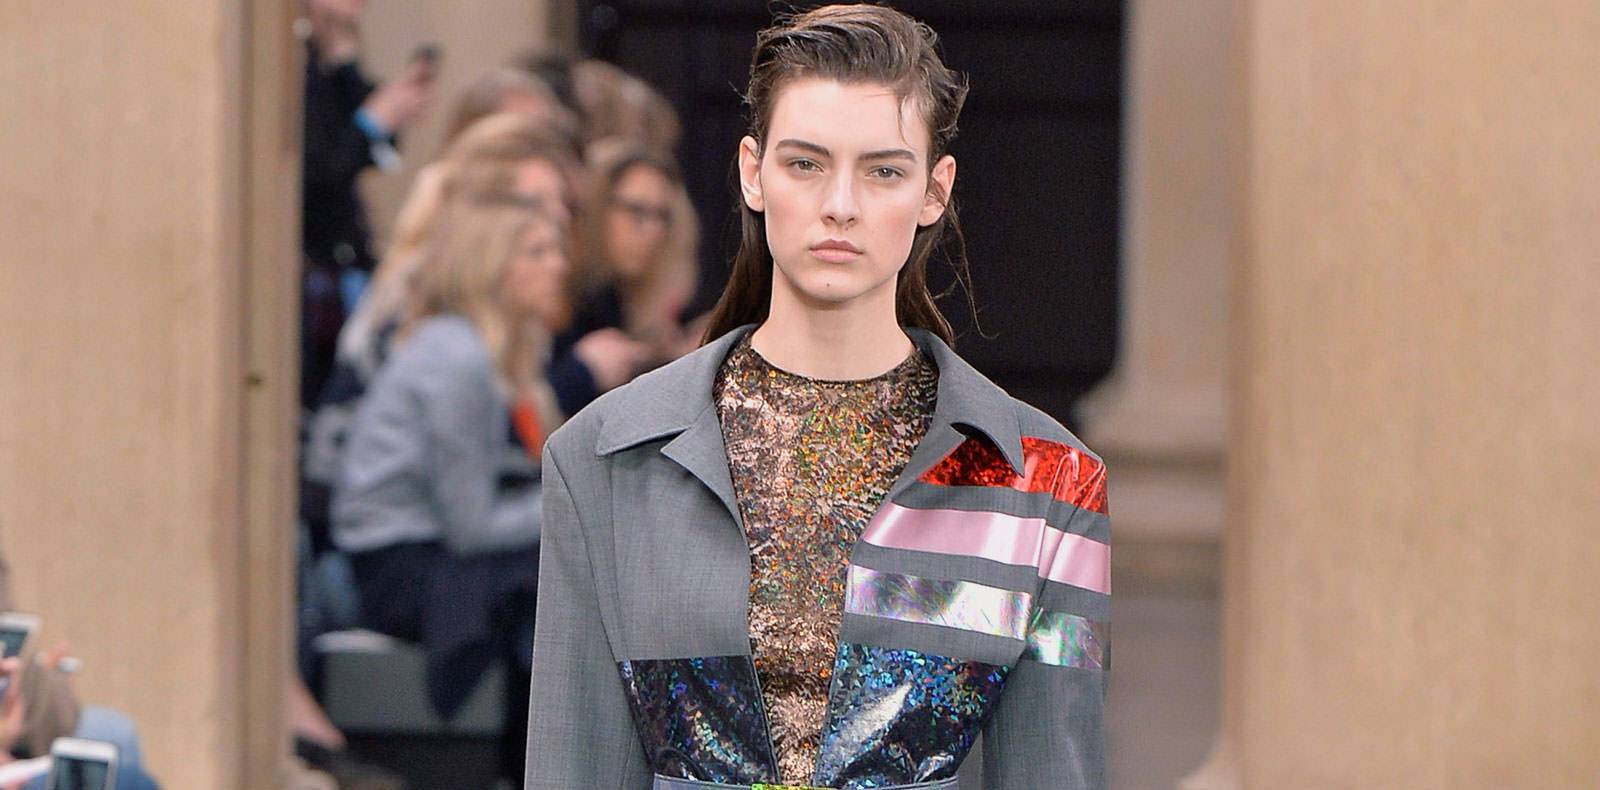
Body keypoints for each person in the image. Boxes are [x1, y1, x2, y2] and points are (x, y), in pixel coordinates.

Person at [524, 6, 1110, 790]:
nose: (841, 204)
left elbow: (1054, 769)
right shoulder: (603, 459)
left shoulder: (1049, 488)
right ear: (752, 172)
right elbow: (574, 760)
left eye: (884, 171)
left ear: (934, 191)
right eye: (805, 163)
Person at [333, 195, 566, 787]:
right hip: (397, 564)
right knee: (549, 586)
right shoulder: (458, 357)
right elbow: (472, 525)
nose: (559, 265)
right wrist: (577, 502)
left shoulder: (494, 353)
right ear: (491, 266)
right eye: (537, 252)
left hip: (432, 548)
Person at [299, 0, 435, 409]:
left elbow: (374, 147)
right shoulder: (292, 60)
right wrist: (372, 121)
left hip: (344, 257)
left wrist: (351, 71)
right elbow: (317, 168)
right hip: (311, 266)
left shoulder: (330, 55)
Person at [549, 137, 701, 414]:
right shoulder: (553, 290)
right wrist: (580, 373)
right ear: (596, 208)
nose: (652, 232)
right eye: (636, 211)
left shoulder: (623, 301)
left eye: (662, 217)